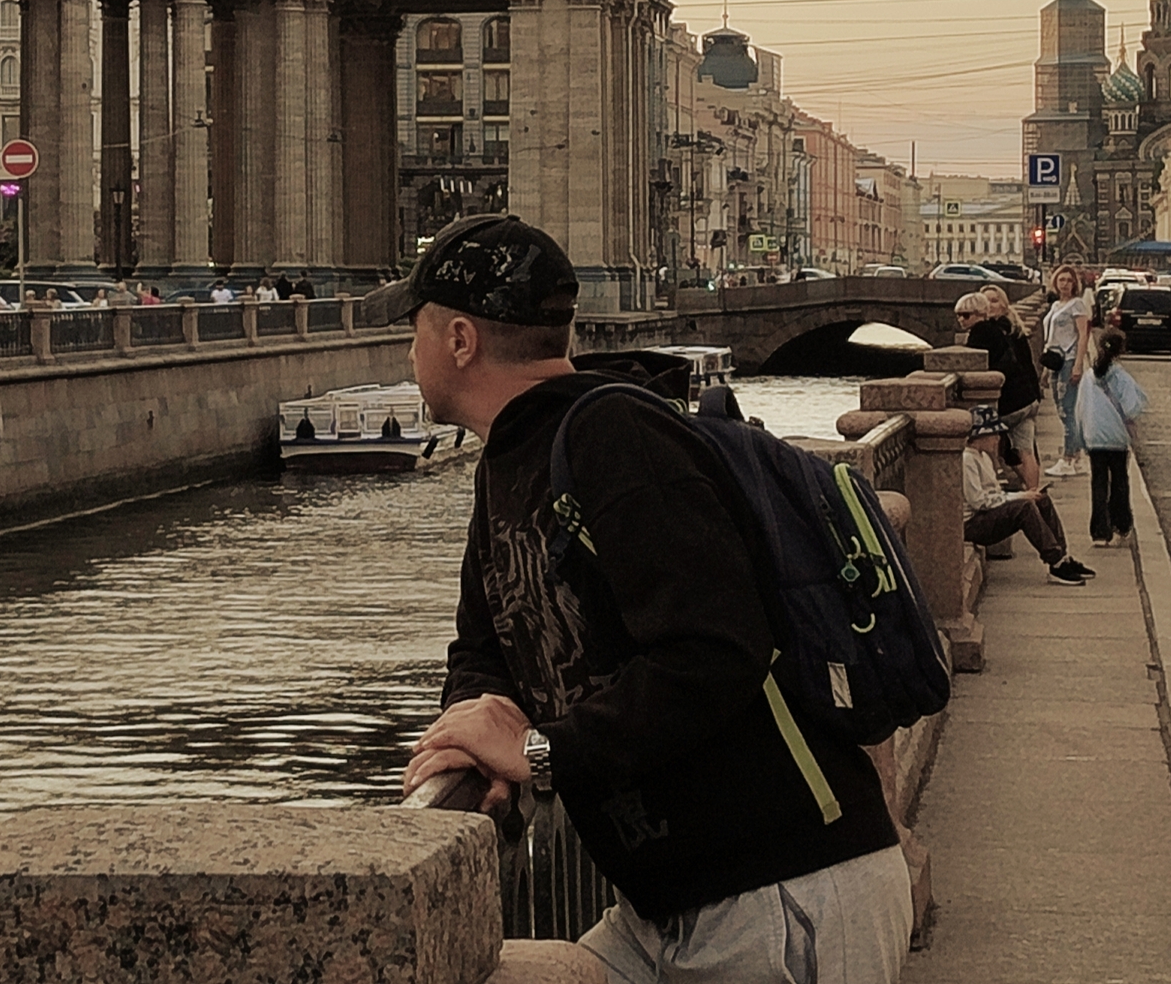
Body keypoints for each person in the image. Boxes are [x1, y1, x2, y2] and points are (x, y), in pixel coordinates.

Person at [373, 214, 912, 984]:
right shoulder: (508, 462)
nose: (409, 351)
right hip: (663, 904)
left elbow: (717, 650)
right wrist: (469, 732)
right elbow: (484, 645)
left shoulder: (615, 434)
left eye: (414, 329)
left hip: (780, 889)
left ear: (460, 340)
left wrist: (537, 751)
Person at [961, 404, 1090, 586]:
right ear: (978, 437)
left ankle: (1062, 556)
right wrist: (1020, 497)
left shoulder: (984, 457)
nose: (997, 439)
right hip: (973, 523)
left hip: (986, 514)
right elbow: (979, 501)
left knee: (1040, 499)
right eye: (993, 434)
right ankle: (1055, 561)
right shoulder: (967, 460)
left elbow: (995, 495)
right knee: (1024, 508)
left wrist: (1024, 494)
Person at [956, 290, 1041, 488]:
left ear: (979, 313)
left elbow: (972, 365)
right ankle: (1035, 495)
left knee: (988, 444)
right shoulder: (1005, 329)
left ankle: (991, 488)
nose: (961, 319)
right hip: (1026, 399)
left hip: (1009, 403)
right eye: (958, 315)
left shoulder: (981, 332)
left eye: (966, 315)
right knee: (1025, 452)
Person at [1077, 327, 1148, 548]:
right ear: (1122, 350)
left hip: (1094, 436)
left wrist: (1083, 436)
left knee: (1098, 483)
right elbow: (1132, 408)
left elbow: (1079, 408)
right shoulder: (1121, 377)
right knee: (1119, 481)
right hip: (1116, 437)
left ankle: (1099, 531)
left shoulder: (1089, 377)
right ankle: (1121, 524)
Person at [1040, 264, 1092, 477]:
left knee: (1067, 410)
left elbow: (1083, 336)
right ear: (1055, 282)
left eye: (1069, 281)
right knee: (1062, 408)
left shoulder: (1077, 305)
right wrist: (1044, 370)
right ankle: (1076, 456)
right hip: (1055, 362)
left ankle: (1068, 458)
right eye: (1061, 280)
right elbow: (1050, 339)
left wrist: (1078, 364)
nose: (1065, 284)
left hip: (1069, 361)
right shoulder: (1054, 306)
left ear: (1075, 284)